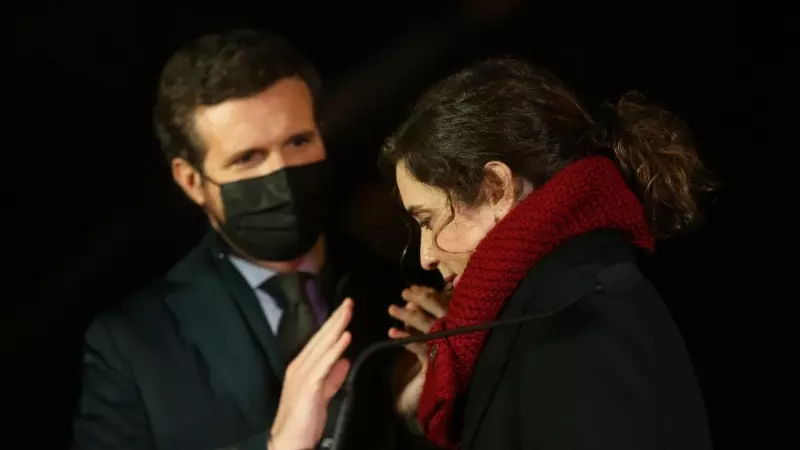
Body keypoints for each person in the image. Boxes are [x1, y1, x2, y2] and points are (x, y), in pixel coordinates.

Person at [72, 29, 411, 450]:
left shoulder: (400, 281)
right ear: (192, 181)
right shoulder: (133, 344)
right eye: (247, 158)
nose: (282, 175)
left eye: (298, 141)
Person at [382, 58, 716, 450]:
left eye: (428, 220)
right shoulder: (548, 305)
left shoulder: (575, 317)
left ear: (495, 188)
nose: (425, 257)